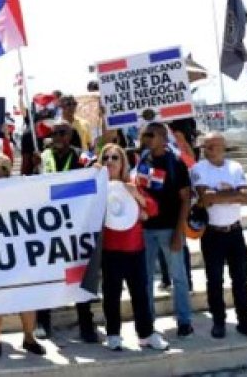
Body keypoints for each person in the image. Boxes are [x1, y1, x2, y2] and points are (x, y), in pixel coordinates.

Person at [98, 144, 169, 351]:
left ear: (123, 162)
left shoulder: (134, 183)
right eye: (106, 158)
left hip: (135, 248)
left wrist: (136, 196)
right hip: (110, 250)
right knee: (111, 294)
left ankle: (146, 334)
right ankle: (113, 334)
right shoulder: (96, 185)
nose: (110, 161)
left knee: (140, 293)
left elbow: (153, 209)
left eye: (115, 157)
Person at [35, 120, 97, 342]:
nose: (58, 137)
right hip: (50, 227)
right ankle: (42, 322)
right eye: (54, 134)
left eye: (62, 133)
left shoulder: (83, 157)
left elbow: (92, 182)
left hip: (77, 225)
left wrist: (60, 192)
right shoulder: (42, 157)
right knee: (48, 274)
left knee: (79, 276)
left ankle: (86, 325)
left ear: (70, 136)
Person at [0, 153, 46, 358]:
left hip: (19, 253)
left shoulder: (21, 189)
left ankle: (29, 338)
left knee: (27, 298)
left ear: (6, 171)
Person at [135, 122, 194, 338]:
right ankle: (148, 322)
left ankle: (185, 321)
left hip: (170, 229)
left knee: (178, 277)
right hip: (146, 230)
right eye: (143, 135)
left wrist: (179, 233)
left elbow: (186, 199)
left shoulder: (176, 163)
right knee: (145, 278)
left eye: (149, 135)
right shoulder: (142, 159)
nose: (146, 138)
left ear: (162, 136)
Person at [191, 132, 247, 339]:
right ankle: (219, 321)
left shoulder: (234, 167)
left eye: (213, 146)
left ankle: (244, 321)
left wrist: (218, 195)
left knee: (240, 280)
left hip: (234, 232)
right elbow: (205, 198)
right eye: (206, 146)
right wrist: (233, 194)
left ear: (223, 147)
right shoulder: (199, 169)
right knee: (215, 280)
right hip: (212, 234)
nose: (209, 150)